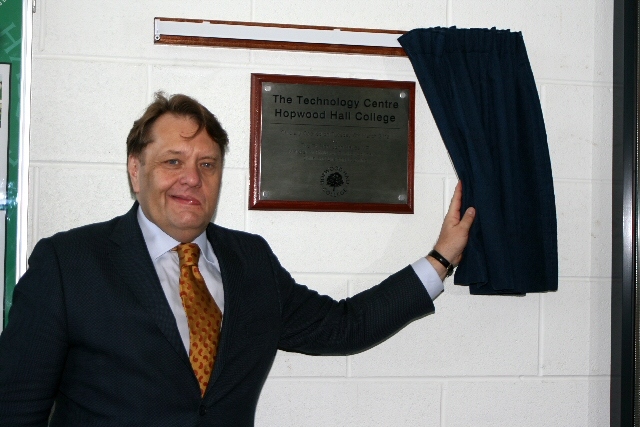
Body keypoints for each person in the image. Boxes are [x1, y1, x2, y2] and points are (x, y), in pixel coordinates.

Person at [0, 92, 475, 426]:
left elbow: (343, 326)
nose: (192, 178)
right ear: (135, 169)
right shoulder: (68, 263)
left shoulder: (251, 262)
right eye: (173, 161)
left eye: (207, 164)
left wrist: (440, 259)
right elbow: (16, 407)